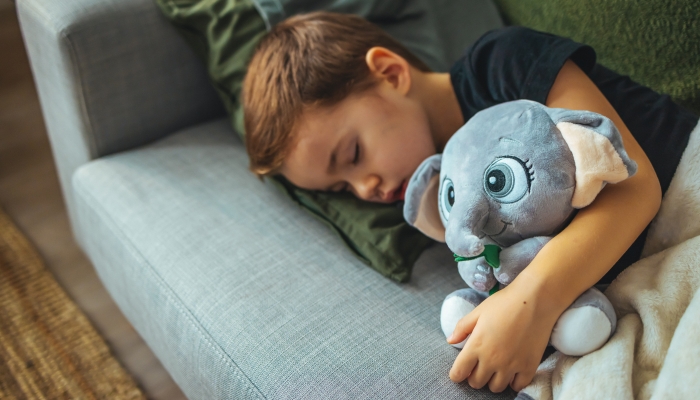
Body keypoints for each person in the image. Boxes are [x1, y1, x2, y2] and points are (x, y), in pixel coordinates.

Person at [241, 11, 699, 393]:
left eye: (352, 156)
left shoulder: (499, 62)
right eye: (342, 189)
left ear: (390, 72)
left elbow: (631, 182)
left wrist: (528, 303)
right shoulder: (439, 199)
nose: (366, 189)